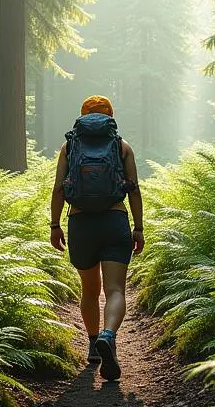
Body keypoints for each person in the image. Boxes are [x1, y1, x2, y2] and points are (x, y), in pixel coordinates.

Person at [50, 95, 144, 381]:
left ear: (82, 116)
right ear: (110, 116)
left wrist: (55, 225)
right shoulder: (121, 146)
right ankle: (108, 335)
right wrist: (138, 228)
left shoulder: (70, 147)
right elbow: (134, 190)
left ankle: (93, 344)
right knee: (115, 290)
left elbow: (58, 190)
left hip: (80, 224)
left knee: (89, 290)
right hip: (114, 220)